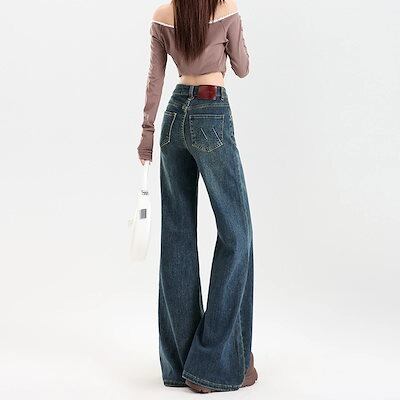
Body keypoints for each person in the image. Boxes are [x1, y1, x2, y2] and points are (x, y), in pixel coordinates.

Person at [137, 0, 257, 393]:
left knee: (177, 238)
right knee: (237, 236)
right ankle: (214, 364)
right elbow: (242, 67)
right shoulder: (225, 8)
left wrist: (147, 135)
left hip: (172, 117)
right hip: (210, 110)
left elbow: (155, 79)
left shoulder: (162, 15)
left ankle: (179, 364)